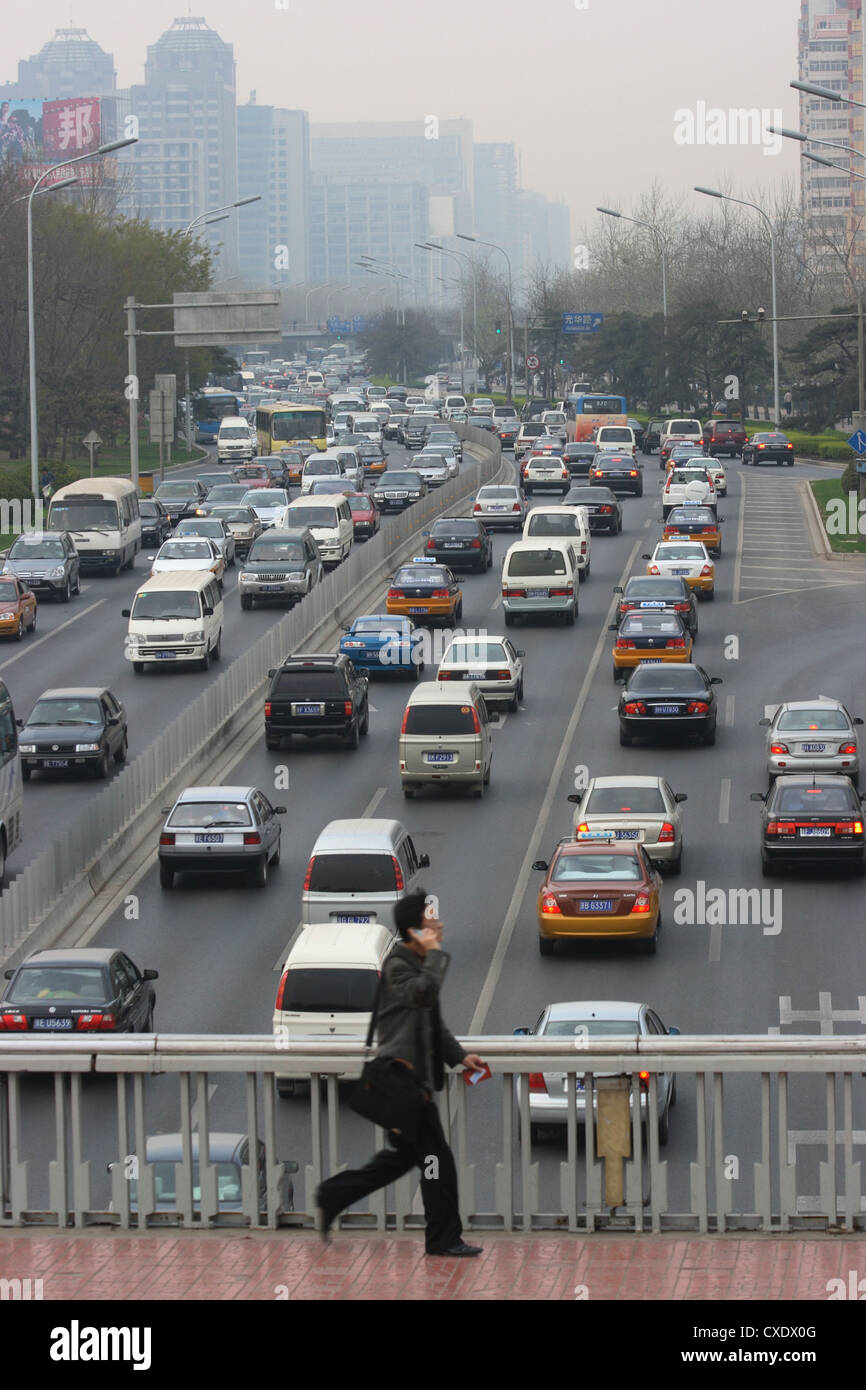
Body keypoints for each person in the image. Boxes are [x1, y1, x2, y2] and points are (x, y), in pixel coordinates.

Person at [316, 889, 486, 1257]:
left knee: (409, 1160)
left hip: (415, 1084)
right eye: (431, 923)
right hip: (403, 1082)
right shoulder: (398, 967)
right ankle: (442, 1238)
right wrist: (437, 955)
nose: (439, 926)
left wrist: (460, 1056)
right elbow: (422, 996)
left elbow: (433, 1024)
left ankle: (333, 1195)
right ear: (414, 932)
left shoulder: (416, 965)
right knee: (436, 1162)